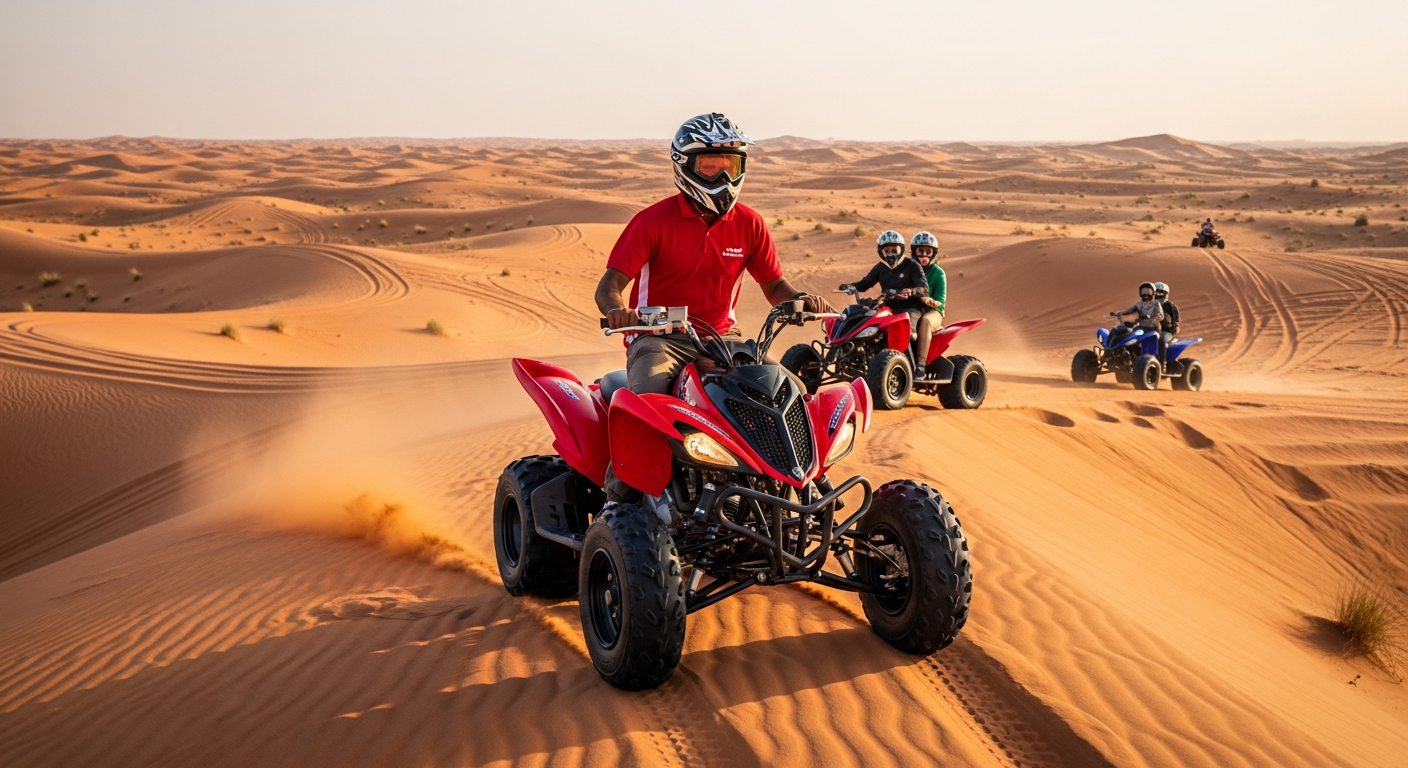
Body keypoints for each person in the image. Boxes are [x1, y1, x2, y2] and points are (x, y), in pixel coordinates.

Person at [594, 112, 832, 501]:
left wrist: (798, 301)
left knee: (795, 395)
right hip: (660, 339)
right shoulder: (652, 221)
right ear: (685, 166)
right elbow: (609, 286)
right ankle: (618, 505)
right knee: (645, 412)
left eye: (731, 165)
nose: (723, 177)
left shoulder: (750, 224)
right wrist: (618, 310)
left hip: (725, 340)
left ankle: (811, 492)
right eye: (710, 165)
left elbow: (774, 286)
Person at [910, 231, 946, 377]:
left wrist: (930, 301)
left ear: (933, 253)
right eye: (920, 251)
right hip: (912, 308)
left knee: (925, 322)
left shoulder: (938, 273)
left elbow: (941, 301)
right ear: (914, 251)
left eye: (928, 251)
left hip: (934, 312)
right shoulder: (909, 270)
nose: (924, 255)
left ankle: (920, 365)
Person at [1111, 281, 1166, 369]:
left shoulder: (1156, 304)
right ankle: (1130, 357)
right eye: (1143, 292)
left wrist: (1157, 317)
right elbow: (1129, 310)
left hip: (1154, 329)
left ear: (1153, 293)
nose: (1146, 295)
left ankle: (1162, 363)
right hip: (1142, 328)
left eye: (1149, 292)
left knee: (1161, 342)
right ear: (1140, 293)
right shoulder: (1139, 303)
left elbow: (1161, 315)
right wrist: (1119, 313)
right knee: (1130, 339)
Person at [1154, 280, 1179, 348]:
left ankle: (1163, 358)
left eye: (1161, 292)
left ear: (1165, 293)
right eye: (1156, 291)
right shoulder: (1149, 305)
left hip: (1166, 331)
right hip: (1151, 330)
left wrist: (1172, 327)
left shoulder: (1170, 306)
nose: (1158, 294)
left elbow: (1175, 321)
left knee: (1162, 340)